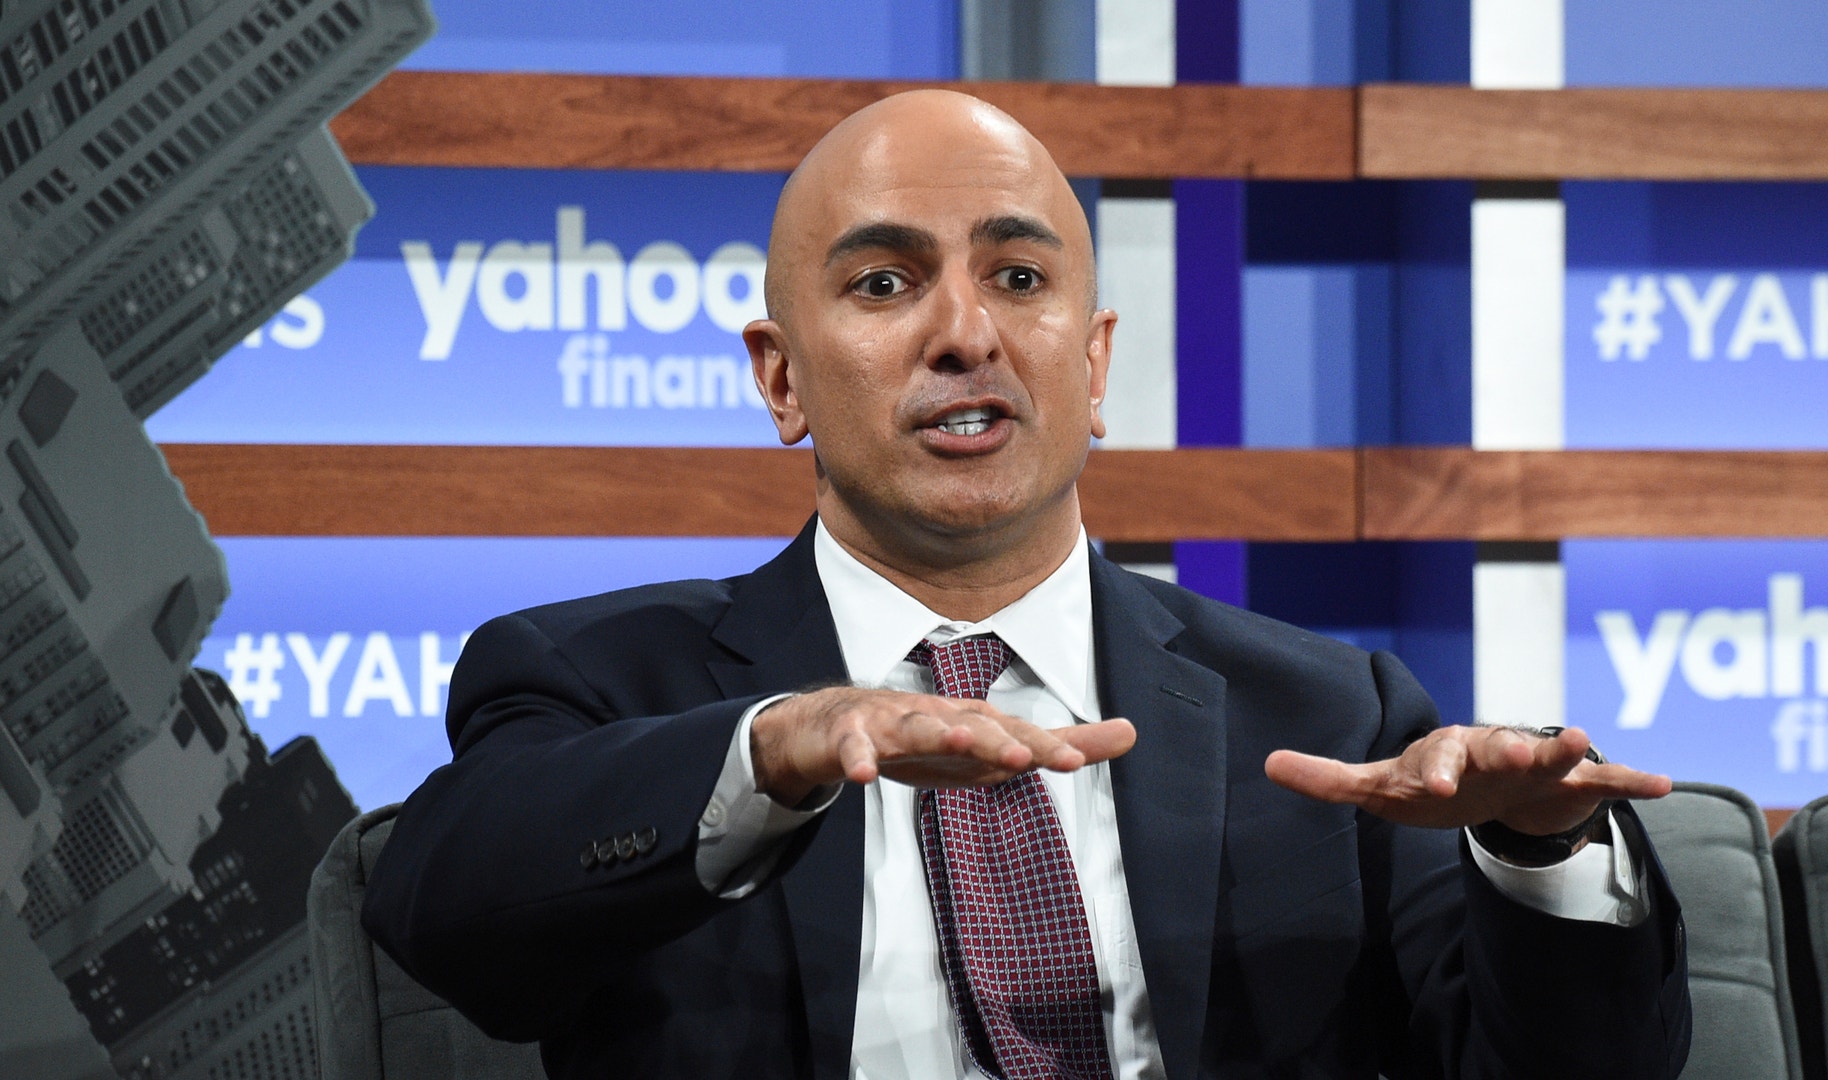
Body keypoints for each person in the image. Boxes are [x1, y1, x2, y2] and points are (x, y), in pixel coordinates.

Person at [363, 90, 1690, 1079]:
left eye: (1017, 277)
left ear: (1094, 366)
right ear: (781, 378)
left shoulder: (1327, 714)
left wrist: (1542, 851)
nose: (965, 332)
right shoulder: (606, 682)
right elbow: (448, 917)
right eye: (885, 282)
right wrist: (773, 752)